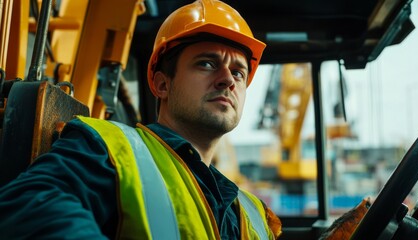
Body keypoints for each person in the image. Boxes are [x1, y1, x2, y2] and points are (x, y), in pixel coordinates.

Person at [0, 0, 282, 239]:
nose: (227, 80)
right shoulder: (109, 148)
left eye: (238, 73)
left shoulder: (252, 212)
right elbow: (29, 202)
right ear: (162, 85)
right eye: (207, 63)